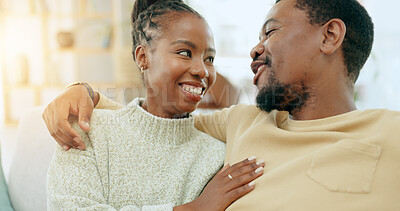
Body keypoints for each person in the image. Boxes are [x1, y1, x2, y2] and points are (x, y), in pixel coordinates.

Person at [44, 0, 400, 210]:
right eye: (258, 37)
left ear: (330, 35)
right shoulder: (244, 122)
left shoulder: (391, 133)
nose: (254, 49)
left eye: (271, 32)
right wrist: (83, 92)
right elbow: (156, 120)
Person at [46, 0, 265, 210]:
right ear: (143, 57)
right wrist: (193, 209)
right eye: (185, 53)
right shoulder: (86, 131)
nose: (203, 71)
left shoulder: (218, 157)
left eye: (209, 59)